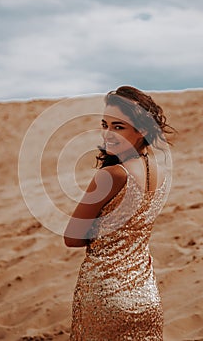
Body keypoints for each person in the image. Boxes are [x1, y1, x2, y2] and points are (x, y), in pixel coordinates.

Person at [64, 86, 175, 340]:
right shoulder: (161, 174)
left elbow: (72, 238)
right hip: (147, 296)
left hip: (106, 297)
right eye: (105, 125)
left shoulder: (112, 176)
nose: (107, 134)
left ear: (142, 130)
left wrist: (100, 232)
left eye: (119, 127)